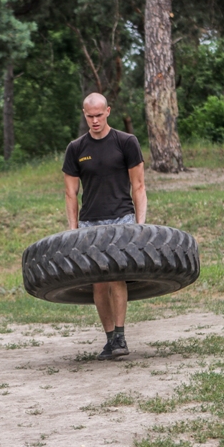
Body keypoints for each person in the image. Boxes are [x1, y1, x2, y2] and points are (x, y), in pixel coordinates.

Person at [62, 93, 147, 361]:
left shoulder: (126, 142)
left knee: (116, 277)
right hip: (90, 222)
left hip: (121, 218)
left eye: (99, 115)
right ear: (84, 114)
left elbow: (139, 186)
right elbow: (70, 194)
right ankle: (110, 338)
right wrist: (73, 230)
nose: (95, 120)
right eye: (90, 116)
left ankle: (120, 335)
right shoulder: (76, 148)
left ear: (108, 111)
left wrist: (140, 225)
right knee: (98, 283)